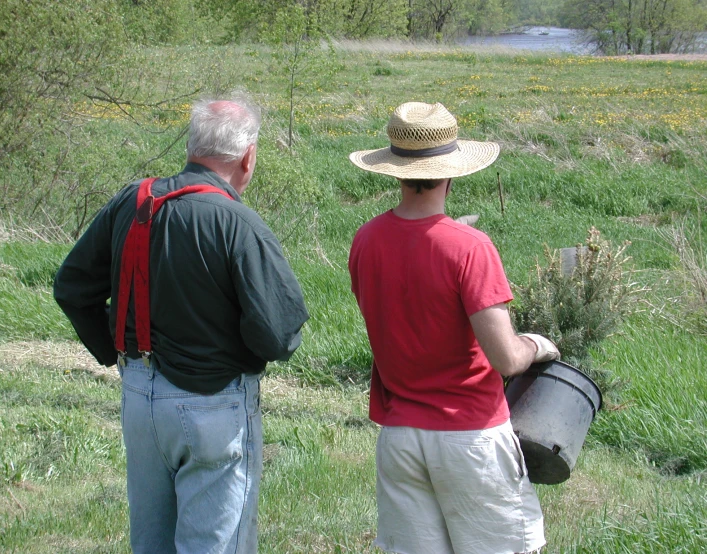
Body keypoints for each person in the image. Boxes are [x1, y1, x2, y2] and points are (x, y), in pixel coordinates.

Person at [54, 94, 309, 554]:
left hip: (139, 396)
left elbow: (72, 288)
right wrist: (244, 352)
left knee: (150, 544)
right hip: (214, 404)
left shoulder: (132, 202)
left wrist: (114, 350)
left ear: (192, 147)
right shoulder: (238, 222)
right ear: (247, 157)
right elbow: (278, 335)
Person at [347, 102, 560, 554]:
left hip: (400, 436)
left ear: (395, 170)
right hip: (470, 436)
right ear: (452, 171)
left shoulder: (366, 239)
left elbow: (407, 291)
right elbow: (505, 357)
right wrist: (538, 345)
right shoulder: (470, 248)